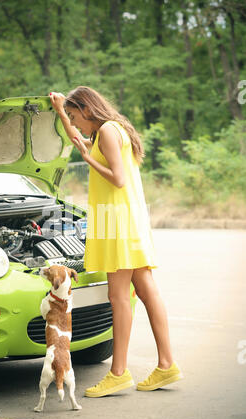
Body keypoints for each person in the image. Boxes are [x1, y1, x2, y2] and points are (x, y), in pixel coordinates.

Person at [49, 86, 183, 397]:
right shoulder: (109, 129)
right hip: (127, 218)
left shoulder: (108, 131)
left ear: (86, 108)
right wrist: (59, 113)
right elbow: (78, 140)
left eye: (73, 115)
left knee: (119, 296)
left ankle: (118, 373)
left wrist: (85, 157)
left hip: (118, 221)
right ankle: (167, 365)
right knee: (147, 291)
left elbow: (118, 178)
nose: (75, 122)